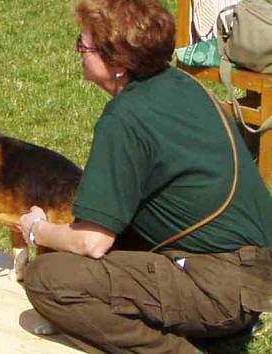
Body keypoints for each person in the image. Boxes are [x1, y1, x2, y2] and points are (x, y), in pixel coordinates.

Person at [15, 0, 272, 353]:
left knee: (48, 279)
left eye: (83, 44)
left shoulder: (124, 119)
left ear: (117, 63)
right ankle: (213, 335)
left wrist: (36, 228)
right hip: (252, 276)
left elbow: (92, 242)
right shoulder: (183, 85)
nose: (77, 50)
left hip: (219, 288)